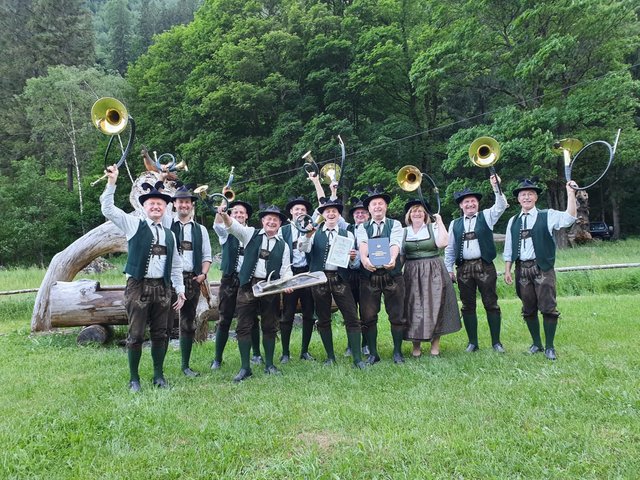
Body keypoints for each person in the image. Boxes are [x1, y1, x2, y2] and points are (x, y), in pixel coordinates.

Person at [100, 164, 185, 392]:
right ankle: (134, 378)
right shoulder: (133, 224)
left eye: (160, 204)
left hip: (163, 288)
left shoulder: (169, 234)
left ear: (166, 208)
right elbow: (108, 209)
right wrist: (111, 183)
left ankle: (158, 376)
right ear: (144, 206)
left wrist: (180, 289)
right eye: (152, 203)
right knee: (136, 334)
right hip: (138, 286)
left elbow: (175, 264)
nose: (156, 206)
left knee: (161, 333)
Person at [503, 179, 578, 360]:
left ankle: (550, 347)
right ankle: (536, 344)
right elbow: (508, 247)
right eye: (523, 194)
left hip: (542, 268)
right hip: (522, 269)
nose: (526, 197)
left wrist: (570, 193)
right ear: (518, 199)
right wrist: (507, 270)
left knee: (548, 308)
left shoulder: (548, 215)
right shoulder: (513, 221)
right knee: (528, 309)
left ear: (536, 197)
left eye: (530, 194)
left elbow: (569, 218)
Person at [218, 204, 293, 382]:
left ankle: (269, 365)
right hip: (247, 287)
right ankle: (245, 368)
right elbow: (232, 227)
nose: (272, 221)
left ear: (280, 223)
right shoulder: (250, 233)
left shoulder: (284, 246)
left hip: (270, 288)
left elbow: (287, 269)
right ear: (263, 221)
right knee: (243, 326)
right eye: (269, 218)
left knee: (269, 326)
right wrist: (223, 215)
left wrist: (287, 282)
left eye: (276, 219)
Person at [297, 198, 367, 368]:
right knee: (323, 318)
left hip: (340, 279)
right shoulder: (313, 233)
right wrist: (307, 234)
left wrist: (352, 257)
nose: (330, 213)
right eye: (327, 211)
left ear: (338, 214)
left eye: (334, 211)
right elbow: (302, 248)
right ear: (322, 215)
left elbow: (354, 263)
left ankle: (357, 358)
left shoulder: (347, 234)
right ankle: (330, 356)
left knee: (351, 317)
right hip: (320, 279)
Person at [444, 175, 508, 353]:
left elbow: (501, 206)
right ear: (460, 205)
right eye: (466, 202)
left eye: (473, 201)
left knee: (491, 303)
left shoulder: (487, 216)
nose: (470, 204)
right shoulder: (455, 224)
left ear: (477, 203)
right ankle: (473, 343)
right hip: (463, 269)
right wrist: (448, 269)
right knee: (467, 305)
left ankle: (496, 342)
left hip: (485, 266)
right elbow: (450, 248)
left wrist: (496, 187)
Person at [164, 185, 212, 377]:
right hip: (168, 280)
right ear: (174, 204)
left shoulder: (201, 230)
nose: (184, 205)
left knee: (188, 322)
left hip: (192, 279)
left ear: (192, 205)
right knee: (163, 322)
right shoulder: (166, 224)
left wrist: (203, 274)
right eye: (180, 201)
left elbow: (207, 257)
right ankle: (160, 366)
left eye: (187, 202)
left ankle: (185, 366)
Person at [402, 200, 461, 357]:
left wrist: (440, 221)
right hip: (411, 272)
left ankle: (435, 346)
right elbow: (399, 253)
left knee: (435, 306)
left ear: (425, 214)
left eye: (421, 211)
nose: (417, 213)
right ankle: (416, 347)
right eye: (414, 211)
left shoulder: (432, 227)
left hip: (433, 270)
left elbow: (443, 243)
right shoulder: (403, 231)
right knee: (414, 308)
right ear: (409, 215)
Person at [355, 187, 406, 364]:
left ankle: (397, 352)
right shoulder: (362, 227)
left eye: (380, 204)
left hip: (392, 274)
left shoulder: (396, 224)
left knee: (397, 315)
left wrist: (392, 258)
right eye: (373, 204)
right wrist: (363, 259)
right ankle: (373, 353)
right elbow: (362, 244)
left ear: (386, 207)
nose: (377, 207)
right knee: (368, 316)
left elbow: (395, 243)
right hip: (369, 276)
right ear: (369, 209)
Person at [211, 200, 263, 370]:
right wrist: (221, 209)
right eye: (236, 213)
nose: (239, 215)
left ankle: (256, 354)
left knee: (252, 319)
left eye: (242, 213)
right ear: (231, 215)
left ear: (247, 216)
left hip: (247, 282)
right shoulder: (226, 232)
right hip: (229, 281)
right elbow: (218, 224)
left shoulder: (253, 234)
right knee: (224, 319)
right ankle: (217, 359)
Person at [279, 196, 316, 363]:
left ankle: (304, 351)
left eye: (302, 209)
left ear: (306, 213)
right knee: (287, 314)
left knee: (309, 313)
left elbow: (309, 249)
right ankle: (285, 353)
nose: (299, 212)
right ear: (291, 212)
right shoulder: (283, 230)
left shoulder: (311, 228)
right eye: (296, 209)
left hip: (307, 274)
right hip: (290, 273)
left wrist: (308, 234)